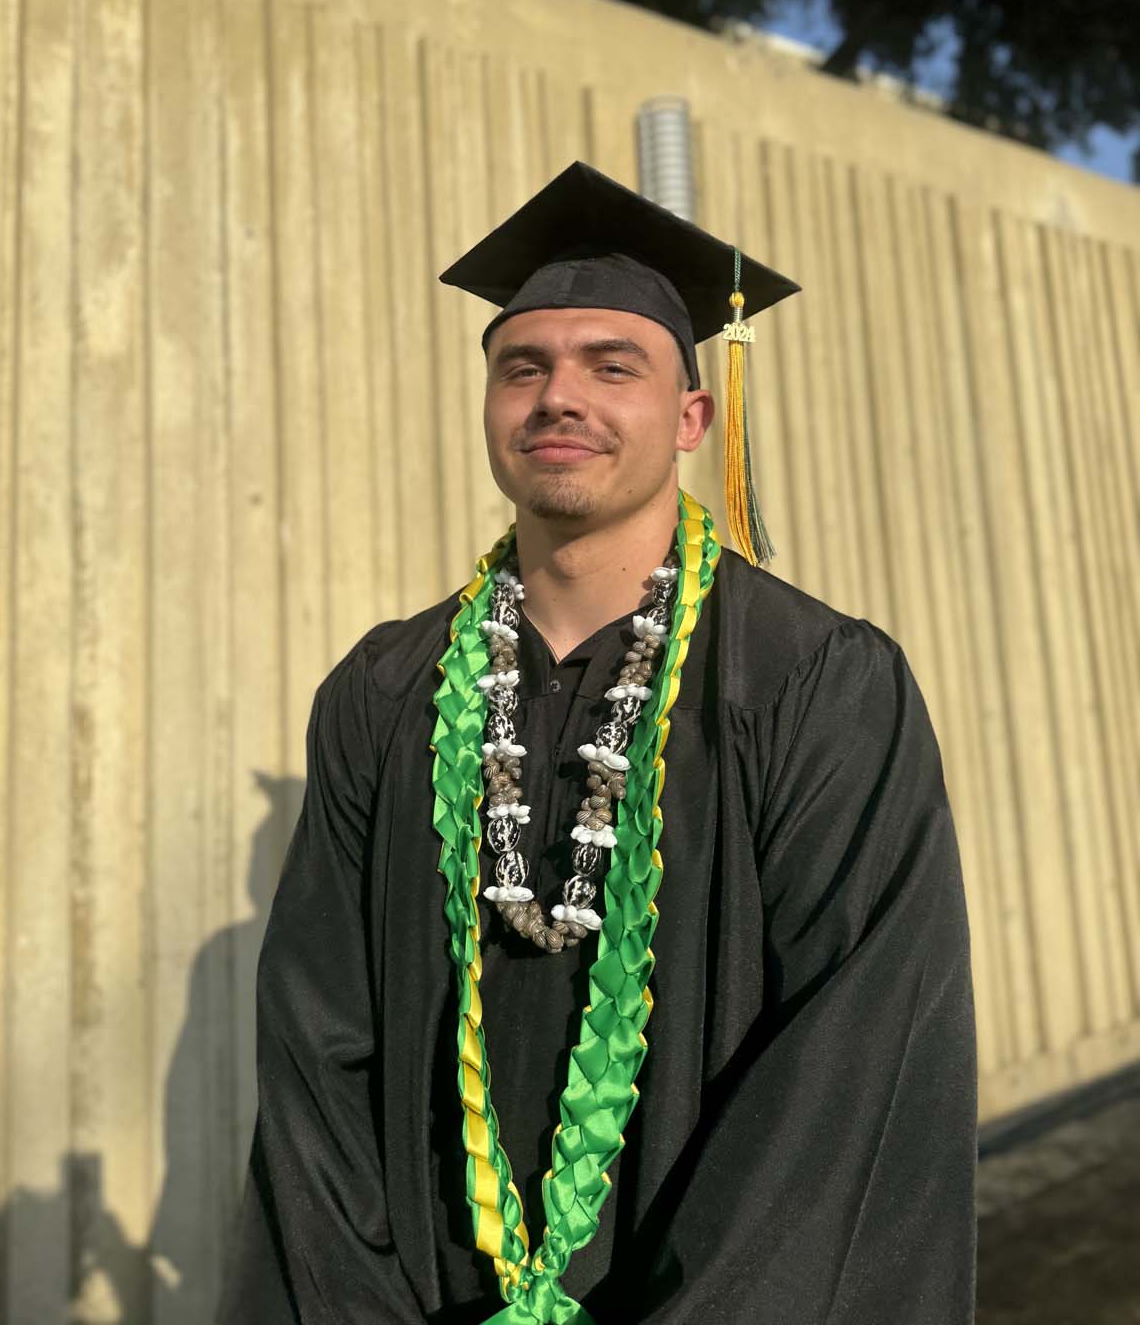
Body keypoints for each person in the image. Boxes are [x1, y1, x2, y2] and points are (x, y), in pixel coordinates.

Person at [218, 162, 977, 1325]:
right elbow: (316, 1052)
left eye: (610, 366)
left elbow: (851, 1073)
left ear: (691, 417)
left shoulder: (814, 684)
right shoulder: (386, 689)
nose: (557, 396)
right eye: (525, 366)